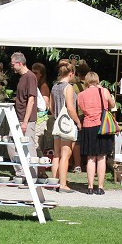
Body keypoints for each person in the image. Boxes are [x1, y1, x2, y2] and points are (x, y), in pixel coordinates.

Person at [76, 71, 114, 195]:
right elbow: (112, 105)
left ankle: (90, 186)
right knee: (102, 157)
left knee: (90, 158)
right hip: (102, 126)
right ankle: (100, 187)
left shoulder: (81, 94)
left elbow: (81, 109)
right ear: (97, 80)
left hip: (88, 126)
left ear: (86, 81)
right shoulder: (104, 91)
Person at [51, 60, 80, 193]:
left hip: (57, 122)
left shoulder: (54, 86)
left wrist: (57, 116)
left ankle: (54, 181)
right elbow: (70, 107)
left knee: (56, 155)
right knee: (65, 155)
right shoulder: (68, 87)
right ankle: (63, 184)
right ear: (71, 73)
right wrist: (78, 122)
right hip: (67, 124)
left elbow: (51, 107)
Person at [11, 52, 39, 151]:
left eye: (13, 64)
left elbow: (31, 100)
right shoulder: (22, 77)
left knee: (29, 148)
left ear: (20, 63)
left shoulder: (30, 77)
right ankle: (20, 167)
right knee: (11, 144)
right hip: (18, 117)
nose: (12, 67)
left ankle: (32, 167)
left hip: (27, 119)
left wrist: (25, 122)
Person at [31, 62, 52, 154]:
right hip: (34, 116)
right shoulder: (34, 84)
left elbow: (45, 105)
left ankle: (39, 165)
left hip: (40, 117)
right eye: (32, 72)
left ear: (41, 74)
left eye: (36, 73)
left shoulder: (43, 86)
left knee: (36, 143)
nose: (33, 75)